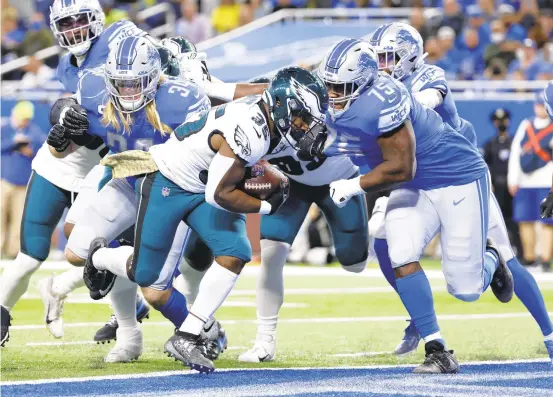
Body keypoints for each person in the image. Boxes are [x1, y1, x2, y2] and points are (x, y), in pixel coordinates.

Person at [81, 66, 328, 373]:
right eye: (301, 117)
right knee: (146, 276)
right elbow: (219, 194)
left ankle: (187, 334)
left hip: (203, 182)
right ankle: (101, 256)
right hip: (168, 181)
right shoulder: (251, 130)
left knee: (235, 252)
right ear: (282, 105)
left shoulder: (266, 110)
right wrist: (266, 207)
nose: (304, 127)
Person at [300, 37, 514, 374]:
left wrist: (352, 184)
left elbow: (401, 167)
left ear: (363, 82)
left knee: (466, 289)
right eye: (329, 85)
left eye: (340, 87)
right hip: (415, 187)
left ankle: (491, 258)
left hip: (454, 176)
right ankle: (438, 349)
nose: (332, 94)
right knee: (400, 252)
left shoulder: (384, 99)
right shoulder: (339, 99)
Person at [369, 23, 553, 363]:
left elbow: (422, 102)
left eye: (387, 57)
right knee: (382, 238)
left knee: (503, 258)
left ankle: (548, 331)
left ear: (408, 56)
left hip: (461, 180)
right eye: (377, 58)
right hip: (419, 183)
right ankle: (417, 313)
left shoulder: (427, 77)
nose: (381, 65)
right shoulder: (380, 89)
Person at [0, 0, 156, 350]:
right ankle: (2, 314)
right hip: (68, 167)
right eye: (65, 24)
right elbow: (67, 124)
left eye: (79, 21)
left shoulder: (120, 37)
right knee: (32, 254)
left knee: (117, 245)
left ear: (97, 20)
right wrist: (63, 117)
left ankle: (119, 315)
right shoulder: (67, 68)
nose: (73, 31)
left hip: (104, 168)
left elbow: (152, 58)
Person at [508, 92, 553, 272]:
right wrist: (513, 178)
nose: (540, 108)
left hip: (546, 181)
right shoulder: (526, 124)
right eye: (538, 105)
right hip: (526, 182)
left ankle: (545, 259)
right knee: (525, 221)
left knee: (547, 222)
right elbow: (515, 152)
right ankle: (529, 258)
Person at [0, 102, 45, 259]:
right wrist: (13, 143)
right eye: (22, 118)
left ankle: (13, 251)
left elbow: (42, 152)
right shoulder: (4, 129)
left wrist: (30, 151)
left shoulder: (34, 131)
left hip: (23, 183)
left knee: (18, 218)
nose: (23, 122)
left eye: (26, 119)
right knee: (1, 214)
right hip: (4, 181)